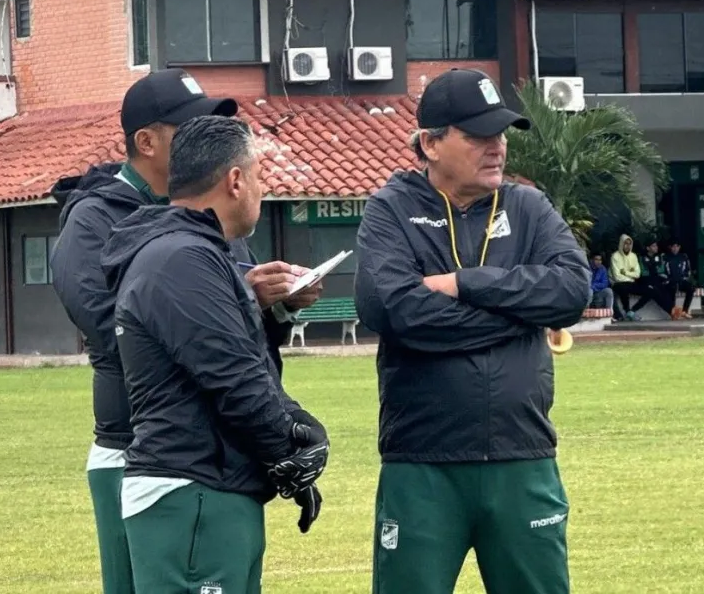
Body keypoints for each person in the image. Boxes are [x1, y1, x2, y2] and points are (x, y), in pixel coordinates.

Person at [48, 69, 320, 594]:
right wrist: (241, 295)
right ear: (145, 142)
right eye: (190, 128)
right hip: (138, 442)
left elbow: (234, 335)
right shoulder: (93, 219)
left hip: (220, 447)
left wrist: (276, 307)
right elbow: (117, 331)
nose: (206, 140)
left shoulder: (215, 217)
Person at [353, 68, 591, 594]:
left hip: (523, 458)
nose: (497, 147)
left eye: (501, 134)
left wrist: (465, 283)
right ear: (431, 144)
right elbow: (391, 309)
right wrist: (516, 317)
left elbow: (573, 292)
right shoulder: (391, 209)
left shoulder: (528, 207)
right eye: (479, 135)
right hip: (422, 462)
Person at [610, 234, 653, 321]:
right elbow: (617, 276)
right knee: (623, 288)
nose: (627, 246)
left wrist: (625, 272)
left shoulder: (633, 256)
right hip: (618, 284)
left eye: (629, 244)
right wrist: (631, 275)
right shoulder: (615, 256)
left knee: (650, 291)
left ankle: (632, 311)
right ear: (621, 243)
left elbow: (637, 274)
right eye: (625, 243)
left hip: (631, 283)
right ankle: (627, 310)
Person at [664, 241, 695, 319]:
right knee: (671, 289)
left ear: (679, 247)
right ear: (670, 247)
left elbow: (688, 270)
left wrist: (684, 278)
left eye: (677, 246)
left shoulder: (684, 257)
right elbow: (663, 271)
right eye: (673, 246)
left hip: (681, 281)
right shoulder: (666, 257)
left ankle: (685, 311)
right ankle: (674, 313)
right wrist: (668, 279)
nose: (675, 248)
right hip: (671, 281)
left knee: (691, 288)